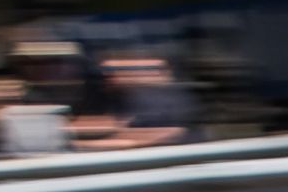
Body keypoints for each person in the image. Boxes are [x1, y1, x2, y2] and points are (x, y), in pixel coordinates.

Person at [69, 56, 200, 152]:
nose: (108, 76)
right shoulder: (110, 97)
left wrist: (80, 145)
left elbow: (153, 135)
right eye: (106, 71)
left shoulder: (165, 100)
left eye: (115, 70)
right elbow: (87, 123)